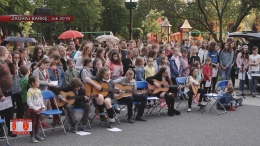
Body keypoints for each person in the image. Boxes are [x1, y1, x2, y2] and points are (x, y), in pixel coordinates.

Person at [0, 46, 17, 138]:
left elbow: (14, 73)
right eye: (7, 53)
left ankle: (11, 131)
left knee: (9, 112)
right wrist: (1, 94)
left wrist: (11, 63)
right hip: (2, 93)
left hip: (9, 91)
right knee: (1, 113)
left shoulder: (5, 63)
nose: (9, 54)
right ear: (3, 54)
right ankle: (1, 132)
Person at [27, 76, 46, 143]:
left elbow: (41, 99)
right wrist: (35, 108)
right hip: (33, 110)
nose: (39, 82)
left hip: (39, 109)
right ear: (33, 83)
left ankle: (36, 134)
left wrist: (43, 106)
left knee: (37, 122)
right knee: (33, 123)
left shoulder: (38, 90)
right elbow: (29, 102)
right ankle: (32, 136)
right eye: (37, 81)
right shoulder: (30, 91)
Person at [11, 51, 23, 118]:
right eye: (15, 57)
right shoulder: (9, 65)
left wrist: (21, 71)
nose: (17, 59)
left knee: (20, 106)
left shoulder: (21, 65)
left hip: (19, 89)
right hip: (11, 89)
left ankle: (19, 120)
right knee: (11, 107)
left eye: (18, 58)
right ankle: (10, 123)